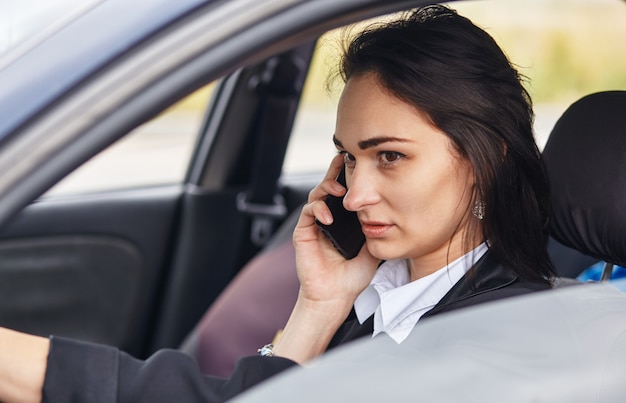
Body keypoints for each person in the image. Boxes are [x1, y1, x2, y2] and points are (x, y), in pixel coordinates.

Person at [0, 5, 555, 402]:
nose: (357, 195)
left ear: (487, 159)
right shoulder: (384, 294)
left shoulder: (500, 343)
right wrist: (319, 306)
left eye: (390, 156)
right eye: (350, 159)